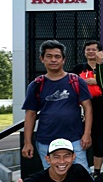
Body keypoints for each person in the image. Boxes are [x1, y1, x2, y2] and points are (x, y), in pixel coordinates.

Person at [21, 40, 93, 171]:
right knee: (52, 176)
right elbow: (30, 114)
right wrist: (27, 142)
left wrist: (87, 134)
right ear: (42, 59)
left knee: (82, 175)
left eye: (57, 56)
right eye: (49, 56)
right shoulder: (36, 85)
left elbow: (88, 108)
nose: (53, 60)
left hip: (75, 139)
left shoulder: (76, 81)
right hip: (46, 140)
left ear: (63, 60)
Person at [71, 40, 103, 178]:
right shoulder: (77, 69)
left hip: (101, 112)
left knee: (100, 144)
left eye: (94, 49)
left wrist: (99, 81)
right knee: (80, 143)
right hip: (81, 112)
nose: (90, 52)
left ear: (100, 52)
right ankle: (80, 172)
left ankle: (97, 173)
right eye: (88, 49)